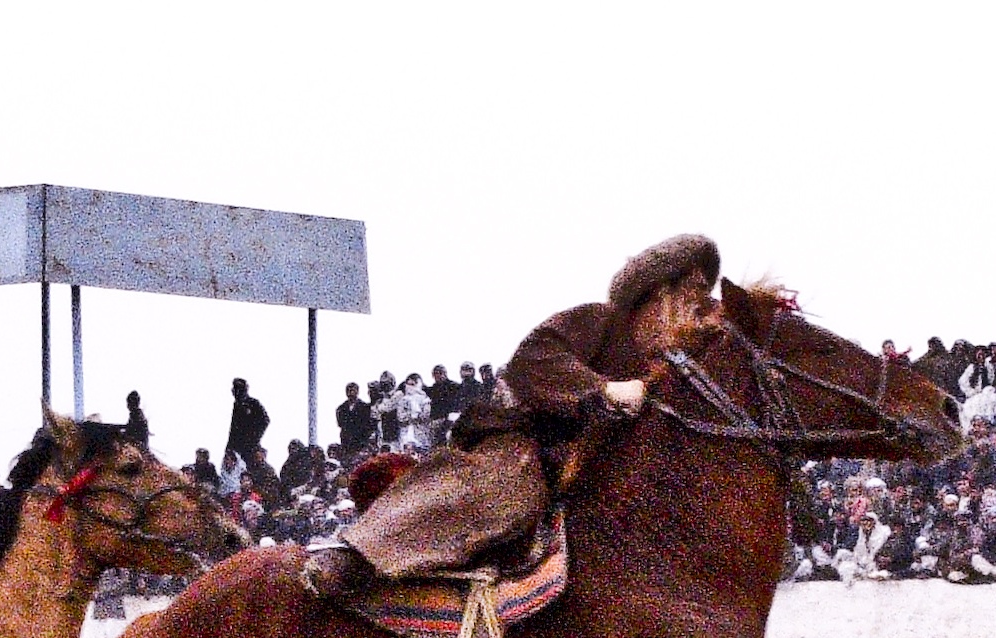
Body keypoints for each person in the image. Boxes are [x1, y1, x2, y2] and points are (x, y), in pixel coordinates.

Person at [300, 234, 724, 600]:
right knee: (507, 487)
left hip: (605, 454)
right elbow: (536, 356)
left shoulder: (676, 359)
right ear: (660, 294)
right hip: (528, 436)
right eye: (691, 291)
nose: (700, 303)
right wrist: (601, 390)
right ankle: (358, 555)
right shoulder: (599, 319)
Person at [223, 378, 269, 464]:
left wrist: (253, 438)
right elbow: (234, 428)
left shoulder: (253, 403)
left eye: (239, 389)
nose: (237, 392)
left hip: (249, 448)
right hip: (236, 447)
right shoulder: (237, 405)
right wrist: (229, 447)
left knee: (250, 471)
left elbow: (265, 420)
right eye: (236, 389)